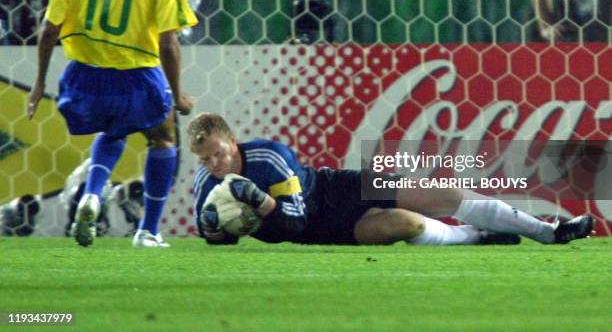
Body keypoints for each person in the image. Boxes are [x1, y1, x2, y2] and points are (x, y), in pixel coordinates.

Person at [27, 0, 198, 248]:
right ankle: (148, 230)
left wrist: (40, 83)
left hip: (83, 77)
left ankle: (91, 193)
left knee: (114, 130)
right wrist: (177, 94)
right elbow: (169, 43)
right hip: (137, 75)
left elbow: (49, 29)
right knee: (163, 137)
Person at [188, 113, 593, 246]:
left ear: (233, 142)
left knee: (440, 192)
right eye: (205, 160)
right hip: (322, 230)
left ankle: (549, 232)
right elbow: (294, 227)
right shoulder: (206, 188)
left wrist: (257, 198)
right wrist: (215, 232)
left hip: (336, 187)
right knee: (405, 224)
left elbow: (291, 210)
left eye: (219, 154)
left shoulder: (270, 157)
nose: (215, 165)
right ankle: (476, 236)